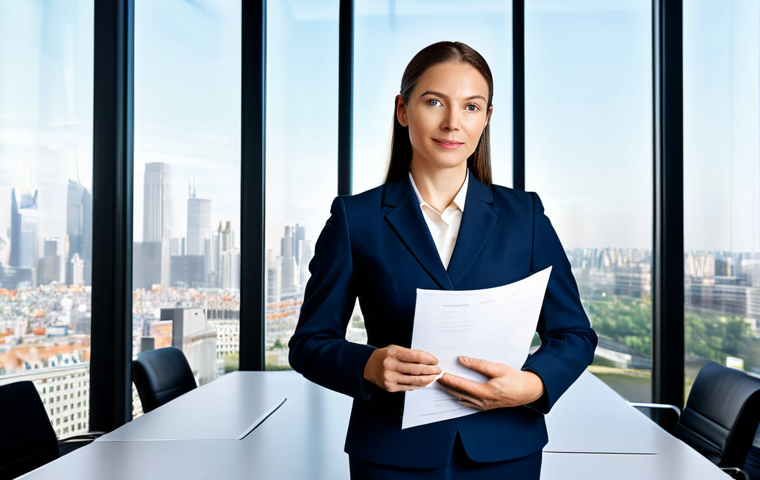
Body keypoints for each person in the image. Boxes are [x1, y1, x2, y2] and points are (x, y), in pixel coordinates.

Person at [289, 41, 598, 479]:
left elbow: (573, 333)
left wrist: (532, 385)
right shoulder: (355, 220)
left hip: (505, 448)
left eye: (471, 107)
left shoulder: (525, 216)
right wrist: (370, 366)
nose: (453, 123)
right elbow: (309, 343)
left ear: (487, 118)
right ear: (403, 110)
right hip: (391, 453)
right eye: (434, 102)